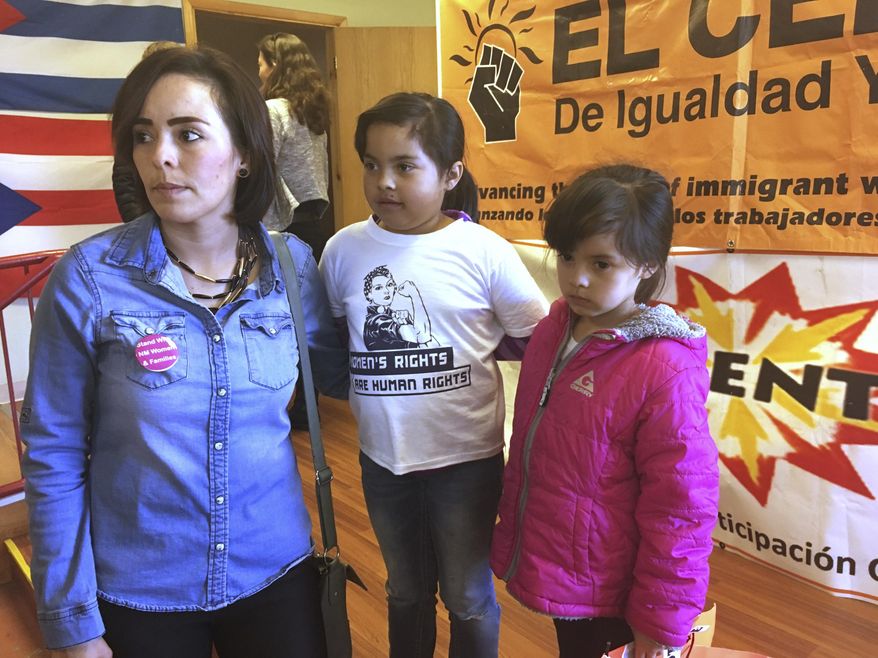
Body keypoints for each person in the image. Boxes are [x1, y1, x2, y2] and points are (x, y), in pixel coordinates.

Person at [20, 46, 348, 658]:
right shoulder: (90, 278)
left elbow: (342, 377)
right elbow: (53, 451)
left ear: (245, 153)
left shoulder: (293, 267)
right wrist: (74, 623)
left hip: (276, 571)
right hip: (141, 589)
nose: (160, 157)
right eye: (144, 136)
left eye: (188, 134)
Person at [319, 92, 549, 658]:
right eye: (371, 164)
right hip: (382, 460)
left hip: (465, 463)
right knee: (405, 591)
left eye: (405, 166)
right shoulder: (343, 250)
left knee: (469, 597)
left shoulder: (484, 251)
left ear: (451, 175)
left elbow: (534, 338)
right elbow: (337, 336)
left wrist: (467, 347)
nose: (384, 182)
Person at [490, 164, 720, 658]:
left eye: (601, 264)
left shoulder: (665, 368)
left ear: (648, 264)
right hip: (569, 573)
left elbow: (681, 508)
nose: (576, 278)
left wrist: (660, 623)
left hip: (621, 595)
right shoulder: (555, 327)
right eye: (567, 257)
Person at [256, 32, 331, 255]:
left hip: (283, 228)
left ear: (274, 65)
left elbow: (262, 169)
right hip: (312, 223)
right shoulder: (311, 114)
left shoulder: (273, 110)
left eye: (260, 65)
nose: (259, 72)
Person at [112, 40, 181, 222]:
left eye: (187, 135)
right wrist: (142, 226)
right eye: (143, 137)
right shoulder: (134, 110)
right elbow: (125, 179)